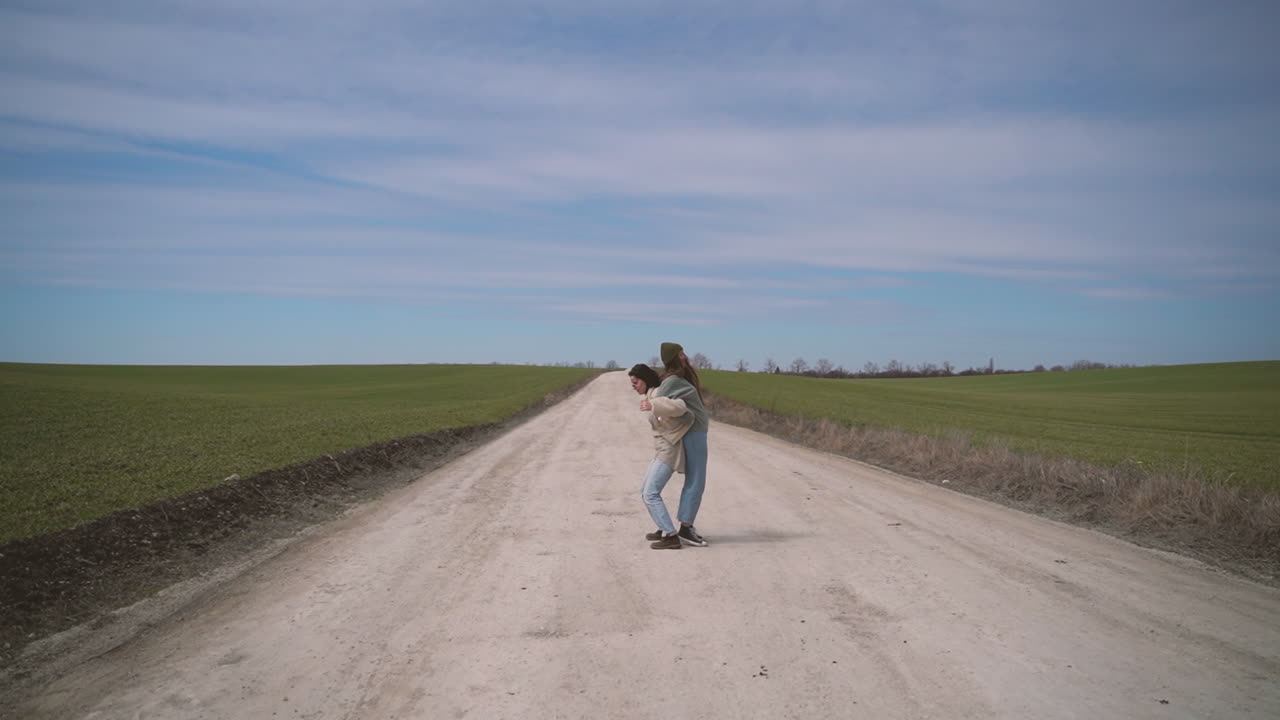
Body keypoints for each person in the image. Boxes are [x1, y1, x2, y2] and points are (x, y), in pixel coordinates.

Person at [628, 363, 694, 550]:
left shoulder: (657, 394)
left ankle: (671, 536)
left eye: (635, 382)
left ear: (645, 380)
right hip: (661, 449)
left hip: (669, 450)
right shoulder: (651, 394)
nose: (633, 386)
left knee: (650, 493)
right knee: (644, 491)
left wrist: (654, 404)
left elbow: (681, 406)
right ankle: (663, 528)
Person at [655, 341, 710, 547]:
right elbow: (658, 403)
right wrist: (685, 416)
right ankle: (686, 528)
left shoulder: (679, 379)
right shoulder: (672, 381)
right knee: (696, 480)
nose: (685, 356)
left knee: (695, 479)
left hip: (696, 433)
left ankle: (679, 525)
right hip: (693, 434)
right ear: (674, 358)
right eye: (681, 354)